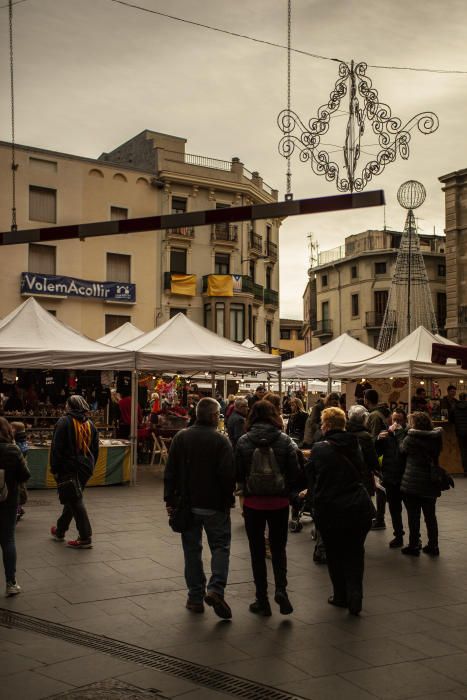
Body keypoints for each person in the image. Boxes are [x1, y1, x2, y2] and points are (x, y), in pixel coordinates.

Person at [164, 397, 235, 619]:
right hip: (214, 505)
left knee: (192, 551)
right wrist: (228, 500)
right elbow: (227, 476)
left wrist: (170, 500)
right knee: (220, 547)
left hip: (188, 504)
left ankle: (195, 597)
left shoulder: (181, 437)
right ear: (214, 416)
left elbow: (171, 472)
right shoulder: (221, 441)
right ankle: (216, 589)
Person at [306, 407, 374, 615]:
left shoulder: (319, 449)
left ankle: (341, 595)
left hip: (331, 508)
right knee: (355, 552)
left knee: (334, 553)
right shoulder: (357, 443)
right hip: (357, 506)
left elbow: (312, 478)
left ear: (326, 425)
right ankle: (356, 595)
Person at [235, 400, 300, 617]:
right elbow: (295, 472)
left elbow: (237, 473)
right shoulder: (285, 440)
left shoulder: (244, 441)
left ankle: (261, 599)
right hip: (279, 502)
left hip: (253, 503)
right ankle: (281, 589)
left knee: (256, 551)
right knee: (279, 548)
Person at [50, 395, 99, 549]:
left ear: (70, 406)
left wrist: (55, 468)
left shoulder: (64, 421)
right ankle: (60, 530)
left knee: (75, 500)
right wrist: (91, 466)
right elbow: (95, 450)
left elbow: (56, 448)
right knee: (72, 497)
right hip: (86, 467)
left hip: (68, 466)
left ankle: (85, 537)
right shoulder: (91, 424)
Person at [400, 411, 443, 556]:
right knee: (431, 516)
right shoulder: (436, 438)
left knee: (413, 516)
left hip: (413, 481)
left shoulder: (410, 438)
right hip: (431, 480)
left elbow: (402, 451)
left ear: (415, 424)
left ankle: (414, 545)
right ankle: (433, 545)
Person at [0, 417, 30, 596]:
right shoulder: (13, 449)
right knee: (8, 540)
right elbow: (25, 475)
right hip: (9, 500)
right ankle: (11, 583)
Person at [376, 408, 408, 548]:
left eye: (399, 420)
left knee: (412, 510)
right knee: (394, 509)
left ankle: (415, 539)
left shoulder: (408, 434)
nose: (396, 422)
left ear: (405, 421)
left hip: (406, 477)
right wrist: (378, 440)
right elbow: (377, 452)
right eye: (394, 420)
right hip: (390, 476)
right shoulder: (386, 435)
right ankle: (398, 535)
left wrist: (398, 434)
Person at [364, 389, 390, 530]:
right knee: (381, 488)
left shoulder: (374, 415)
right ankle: (379, 517)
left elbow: (372, 439)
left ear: (366, 400)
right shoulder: (385, 412)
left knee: (379, 488)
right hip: (385, 455)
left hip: (378, 456)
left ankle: (379, 519)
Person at [346, 405, 379, 498]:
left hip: (347, 476)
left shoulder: (345, 432)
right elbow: (372, 459)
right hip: (363, 475)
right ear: (363, 418)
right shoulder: (365, 436)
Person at [10, 421, 28, 522]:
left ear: (15, 430)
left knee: (17, 491)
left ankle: (17, 511)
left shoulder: (16, 442)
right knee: (20, 489)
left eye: (11, 428)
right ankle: (19, 509)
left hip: (17, 469)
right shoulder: (22, 440)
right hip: (22, 468)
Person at [451, 393, 467, 476]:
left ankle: (465, 470)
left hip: (460, 432)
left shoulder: (454, 407)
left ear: (459, 398)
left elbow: (451, 419)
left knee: (463, 451)